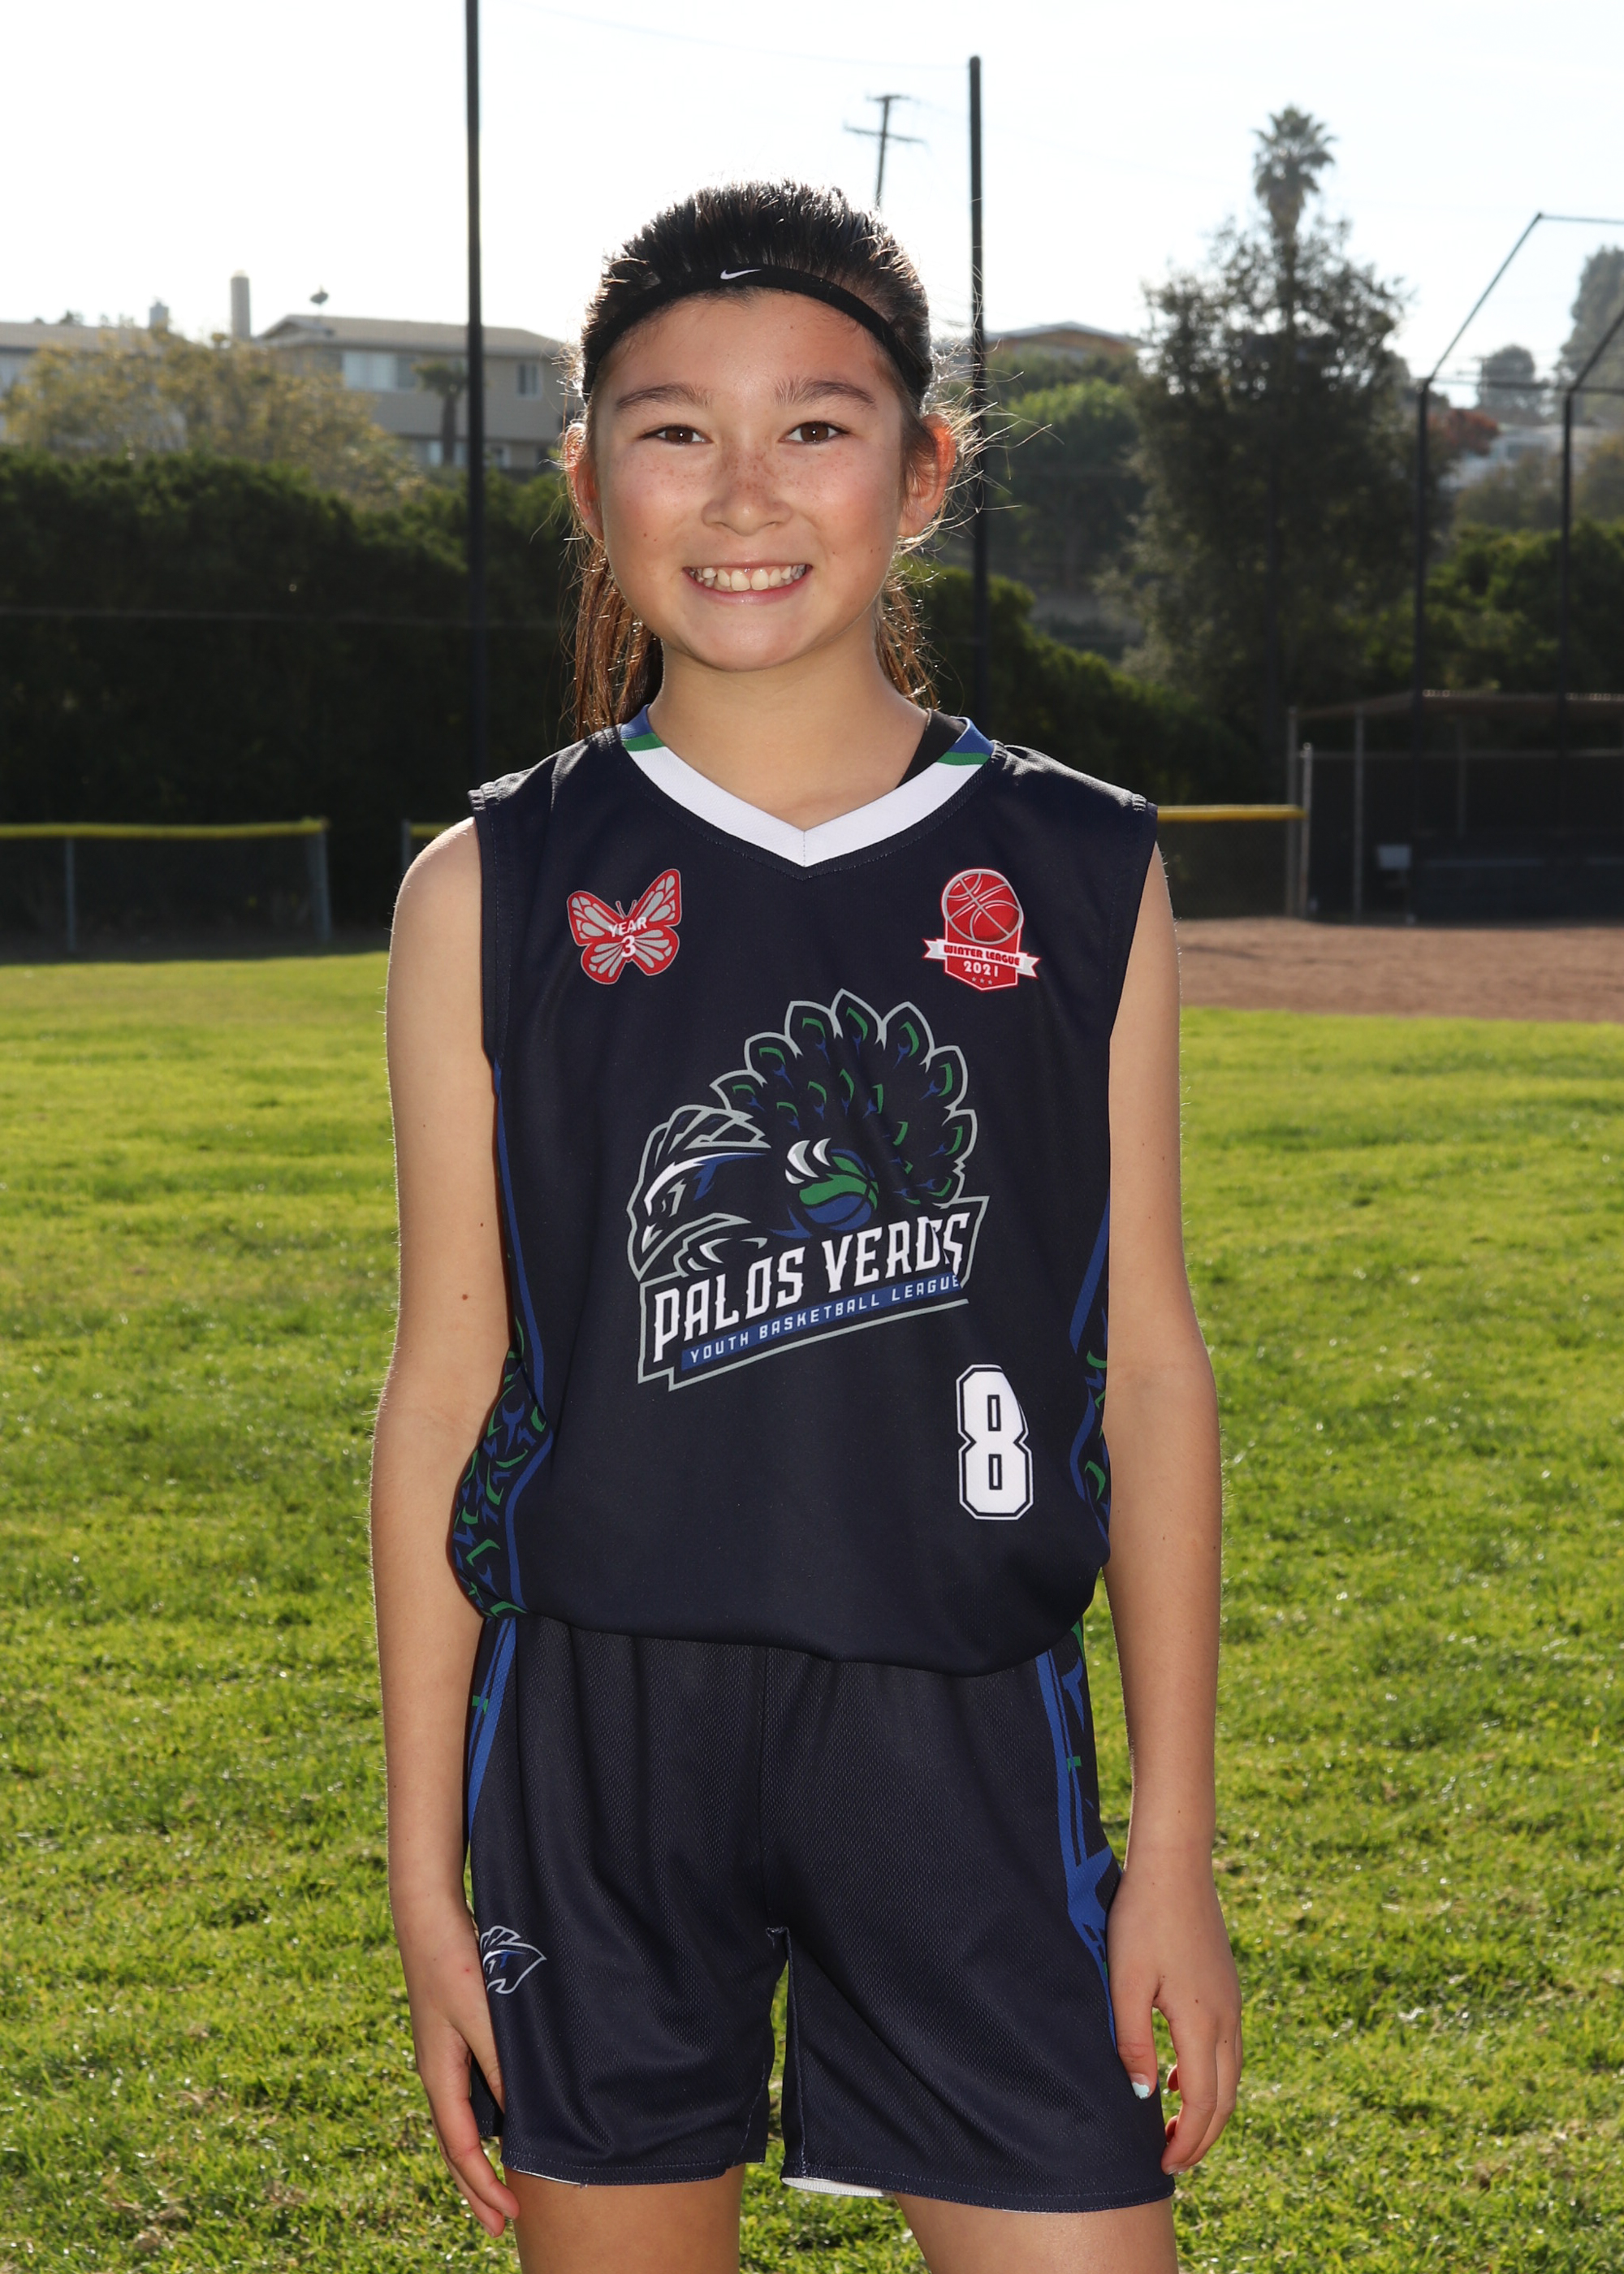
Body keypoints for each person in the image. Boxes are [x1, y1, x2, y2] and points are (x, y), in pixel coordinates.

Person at [372, 179, 1240, 2274]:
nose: (745, 492)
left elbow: (1146, 1366)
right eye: (676, 429)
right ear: (590, 482)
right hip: (599, 1741)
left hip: (961, 1723)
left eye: (817, 427)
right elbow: (444, 1386)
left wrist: (1178, 1849)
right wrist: (419, 1866)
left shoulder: (1078, 868)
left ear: (923, 470)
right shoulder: (489, 888)